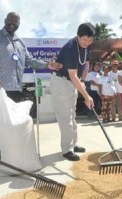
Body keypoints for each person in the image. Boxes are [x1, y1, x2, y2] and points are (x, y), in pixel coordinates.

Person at [0, 12, 62, 160]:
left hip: (17, 89)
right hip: (0, 89)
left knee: (16, 125)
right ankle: (1, 158)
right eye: (9, 20)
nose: (12, 23)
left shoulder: (20, 42)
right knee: (1, 125)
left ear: (19, 24)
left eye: (15, 21)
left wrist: (47, 65)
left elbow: (30, 61)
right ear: (5, 20)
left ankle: (13, 155)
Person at [50, 22, 95, 161]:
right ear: (78, 36)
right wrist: (87, 96)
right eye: (84, 40)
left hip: (72, 82)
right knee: (65, 117)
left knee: (72, 115)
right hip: (61, 82)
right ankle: (67, 149)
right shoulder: (71, 48)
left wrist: (83, 81)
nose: (87, 43)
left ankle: (73, 144)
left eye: (90, 40)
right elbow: (72, 75)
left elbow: (85, 66)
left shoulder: (86, 47)